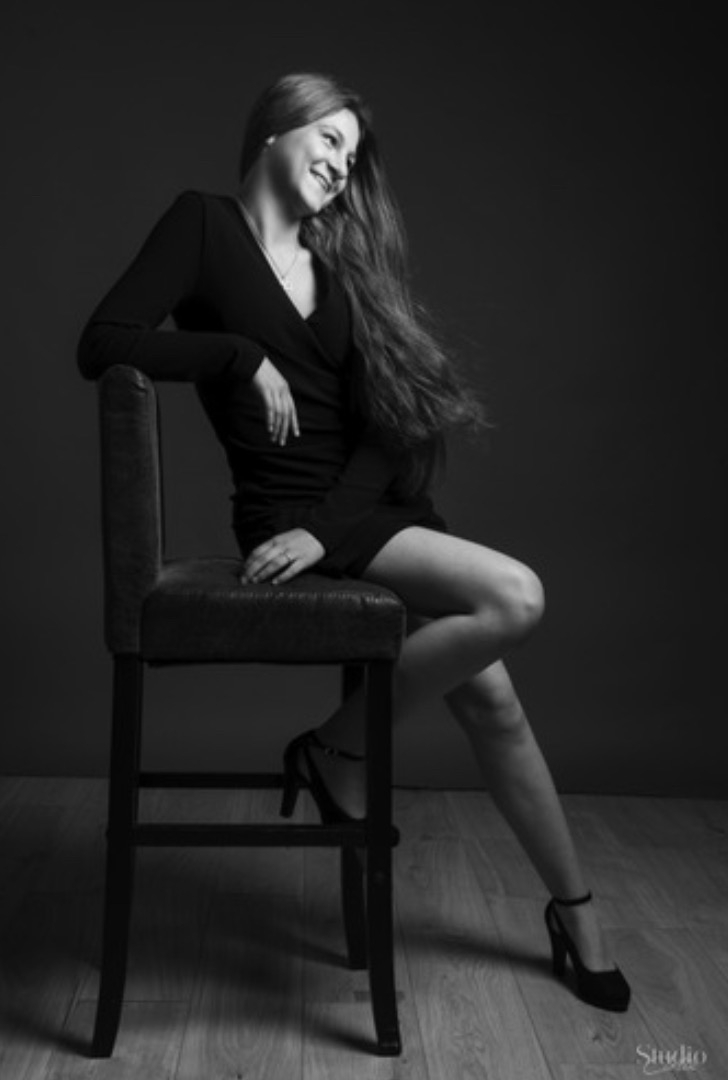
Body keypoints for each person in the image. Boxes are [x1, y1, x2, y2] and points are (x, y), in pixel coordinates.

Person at [77, 71, 630, 1012]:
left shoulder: (341, 263)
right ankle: (340, 755)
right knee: (515, 597)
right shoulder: (202, 225)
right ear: (273, 132)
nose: (341, 165)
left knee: (495, 702)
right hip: (286, 510)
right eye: (327, 139)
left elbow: (387, 426)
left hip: (357, 514)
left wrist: (324, 529)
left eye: (352, 154)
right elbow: (103, 342)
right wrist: (236, 355)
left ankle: (569, 912)